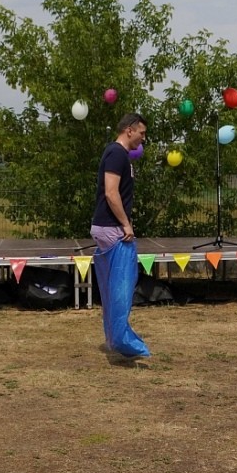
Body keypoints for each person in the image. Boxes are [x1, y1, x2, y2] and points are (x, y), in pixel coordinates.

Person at [90, 113, 150, 359]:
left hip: (106, 226)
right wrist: (126, 224)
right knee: (121, 288)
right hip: (112, 227)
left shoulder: (119, 155)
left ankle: (115, 337)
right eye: (141, 133)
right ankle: (122, 340)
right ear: (129, 130)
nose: (143, 138)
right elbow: (111, 193)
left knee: (113, 287)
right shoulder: (116, 154)